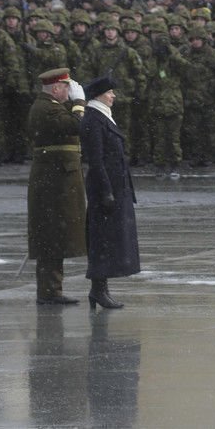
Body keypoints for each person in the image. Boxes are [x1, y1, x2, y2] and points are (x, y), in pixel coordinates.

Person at [27, 68, 88, 305]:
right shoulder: (47, 108)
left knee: (54, 237)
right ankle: (49, 291)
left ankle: (52, 290)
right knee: (50, 236)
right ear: (56, 88)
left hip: (56, 179)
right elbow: (76, 126)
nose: (68, 92)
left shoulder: (49, 106)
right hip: (52, 181)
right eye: (66, 87)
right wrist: (80, 103)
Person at [79, 76, 140, 309]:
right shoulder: (93, 120)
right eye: (110, 92)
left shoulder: (103, 117)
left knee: (108, 240)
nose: (113, 96)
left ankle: (100, 290)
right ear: (98, 95)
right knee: (101, 240)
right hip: (104, 188)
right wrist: (105, 191)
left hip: (115, 186)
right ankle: (97, 290)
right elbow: (96, 161)